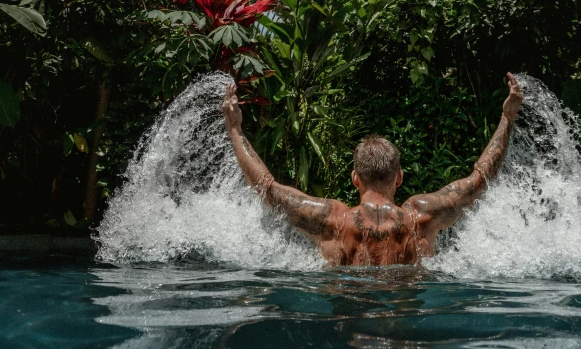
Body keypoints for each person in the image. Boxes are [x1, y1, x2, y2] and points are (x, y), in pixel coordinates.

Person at [222, 72, 523, 266]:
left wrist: (235, 129)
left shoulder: (334, 221)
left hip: (351, 323)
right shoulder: (422, 216)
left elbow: (267, 188)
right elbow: (479, 179)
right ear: (399, 177)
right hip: (404, 324)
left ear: (355, 178)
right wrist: (506, 119)